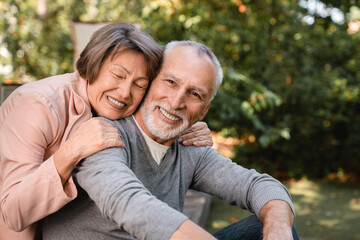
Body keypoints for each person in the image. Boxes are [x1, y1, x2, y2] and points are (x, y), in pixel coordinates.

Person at [42, 40, 299, 240]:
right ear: (150, 81)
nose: (176, 102)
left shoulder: (189, 149)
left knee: (268, 223)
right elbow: (130, 204)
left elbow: (257, 185)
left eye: (194, 94)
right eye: (170, 82)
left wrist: (278, 229)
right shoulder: (102, 134)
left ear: (203, 110)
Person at [0, 23, 213, 240]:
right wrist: (70, 152)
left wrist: (184, 124)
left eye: (139, 84)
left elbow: (160, 111)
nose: (124, 93)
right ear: (94, 65)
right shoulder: (38, 105)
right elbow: (13, 214)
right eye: (118, 75)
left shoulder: (115, 107)